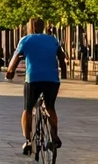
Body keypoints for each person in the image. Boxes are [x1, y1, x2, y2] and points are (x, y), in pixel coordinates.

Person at [5, 18, 67, 156]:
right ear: (43, 27)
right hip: (52, 80)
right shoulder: (52, 39)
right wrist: (64, 73)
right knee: (50, 107)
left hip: (33, 79)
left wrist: (10, 73)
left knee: (27, 109)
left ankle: (27, 140)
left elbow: (16, 58)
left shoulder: (26, 40)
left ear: (30, 27)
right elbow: (61, 57)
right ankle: (54, 135)